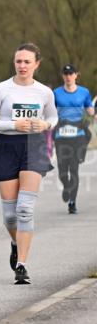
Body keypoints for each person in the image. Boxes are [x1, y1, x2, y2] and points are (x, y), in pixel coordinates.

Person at [0, 43, 59, 284]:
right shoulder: (2, 89)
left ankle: (22, 265)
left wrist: (46, 125)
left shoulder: (44, 91)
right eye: (18, 61)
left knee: (25, 209)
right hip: (6, 147)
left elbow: (53, 116)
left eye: (27, 61)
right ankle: (15, 243)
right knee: (10, 216)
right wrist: (12, 125)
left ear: (36, 64)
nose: (22, 65)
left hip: (33, 147)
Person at [53, 64, 94, 214]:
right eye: (65, 74)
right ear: (63, 75)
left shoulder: (84, 92)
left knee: (74, 169)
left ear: (76, 75)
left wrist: (92, 112)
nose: (68, 76)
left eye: (71, 73)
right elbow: (50, 111)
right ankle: (66, 186)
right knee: (62, 171)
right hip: (61, 136)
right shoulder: (56, 93)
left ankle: (72, 202)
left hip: (78, 136)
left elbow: (89, 109)